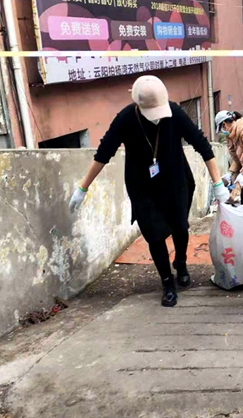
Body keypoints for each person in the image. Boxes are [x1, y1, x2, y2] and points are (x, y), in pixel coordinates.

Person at [69, 76, 230, 308]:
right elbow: (103, 153)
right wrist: (82, 187)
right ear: (139, 104)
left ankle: (181, 262)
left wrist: (218, 184)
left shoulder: (174, 112)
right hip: (142, 186)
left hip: (176, 180)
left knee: (180, 227)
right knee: (154, 236)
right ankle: (167, 282)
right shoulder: (125, 119)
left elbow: (202, 145)